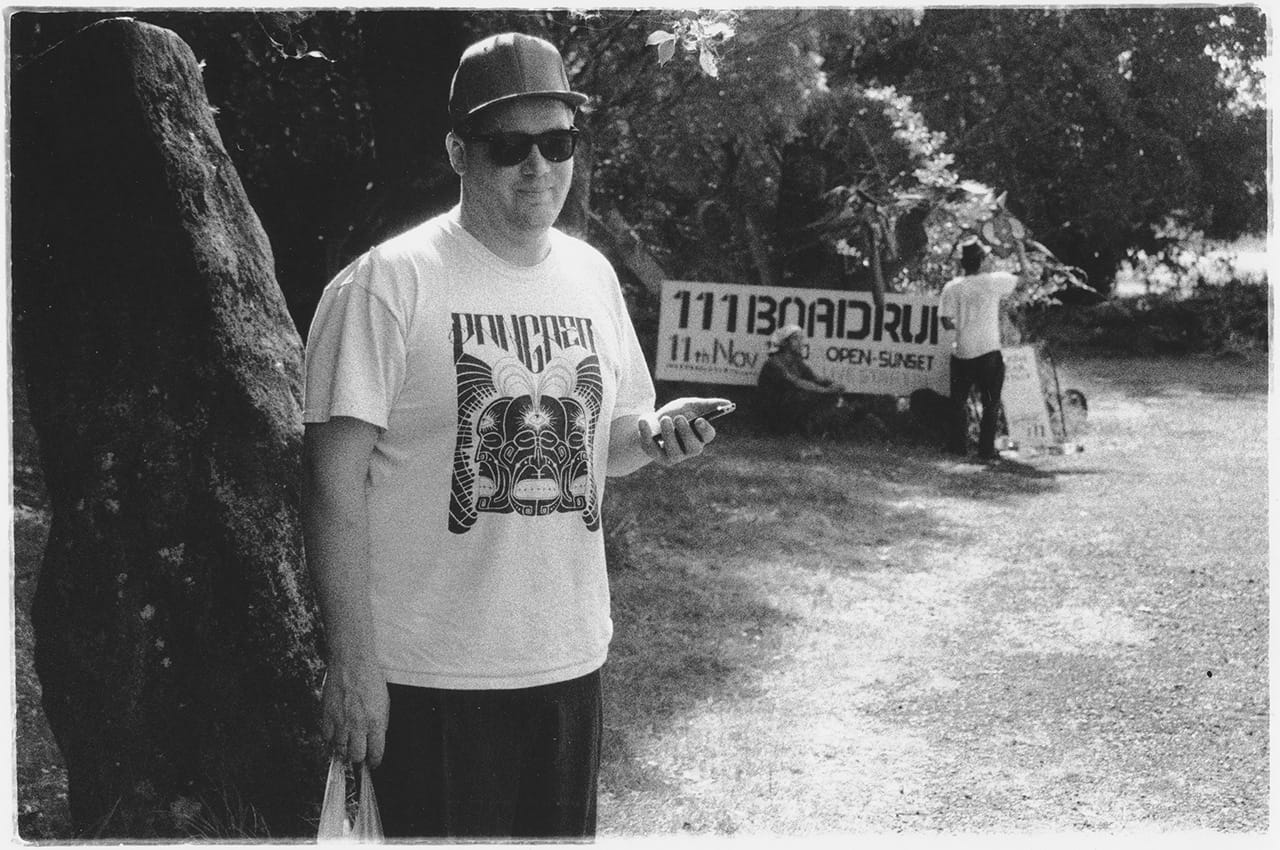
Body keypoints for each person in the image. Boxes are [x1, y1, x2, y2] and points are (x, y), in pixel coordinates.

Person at [300, 32, 727, 840]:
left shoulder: (590, 275)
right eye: (510, 145)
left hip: (567, 662)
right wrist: (353, 665)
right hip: (429, 677)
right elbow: (329, 486)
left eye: (558, 142)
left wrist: (656, 433)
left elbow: (609, 445)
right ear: (459, 151)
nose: (539, 167)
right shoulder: (385, 286)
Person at [938, 240, 1023, 461]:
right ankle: (985, 450)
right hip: (988, 351)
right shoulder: (994, 281)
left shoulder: (953, 286)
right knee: (991, 404)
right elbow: (1026, 280)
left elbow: (946, 322)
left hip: (963, 351)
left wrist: (963, 326)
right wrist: (1021, 251)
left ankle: (958, 446)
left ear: (963, 263)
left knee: (958, 403)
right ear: (983, 261)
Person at [756, 324, 848, 436]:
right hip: (774, 410)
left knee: (826, 395)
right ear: (785, 343)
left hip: (789, 404)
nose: (800, 342)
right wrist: (825, 391)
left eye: (801, 338)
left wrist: (833, 384)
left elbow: (815, 378)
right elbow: (796, 383)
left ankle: (816, 429)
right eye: (795, 338)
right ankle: (791, 430)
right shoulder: (774, 363)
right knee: (805, 395)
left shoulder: (797, 362)